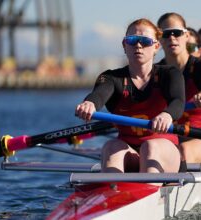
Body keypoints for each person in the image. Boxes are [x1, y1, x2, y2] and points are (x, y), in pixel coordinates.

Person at [76, 18, 186, 174]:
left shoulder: (169, 74)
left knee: (150, 147)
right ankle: (113, 193)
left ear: (156, 47)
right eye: (132, 40)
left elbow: (178, 102)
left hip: (165, 152)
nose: (138, 46)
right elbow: (99, 95)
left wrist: (167, 115)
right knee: (111, 146)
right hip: (129, 151)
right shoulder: (111, 78)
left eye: (145, 41)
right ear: (124, 45)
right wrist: (90, 104)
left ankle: (149, 191)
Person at [156, 13, 201, 170]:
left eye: (176, 32)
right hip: (166, 139)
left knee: (183, 151)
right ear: (159, 39)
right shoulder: (155, 72)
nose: (172, 38)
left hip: (199, 139)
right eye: (165, 33)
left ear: (186, 35)